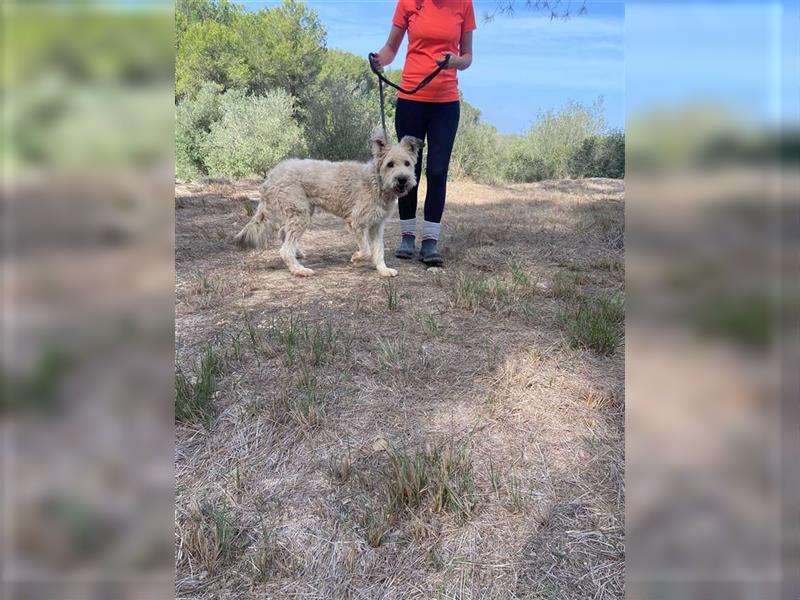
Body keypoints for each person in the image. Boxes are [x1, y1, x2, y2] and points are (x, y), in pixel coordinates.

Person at [372, 0, 475, 267]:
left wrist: (454, 62)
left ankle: (430, 242)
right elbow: (391, 48)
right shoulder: (408, 3)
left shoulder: (464, 4)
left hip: (446, 103)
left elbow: (467, 58)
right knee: (404, 170)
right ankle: (407, 238)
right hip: (410, 99)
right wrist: (379, 61)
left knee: (438, 171)